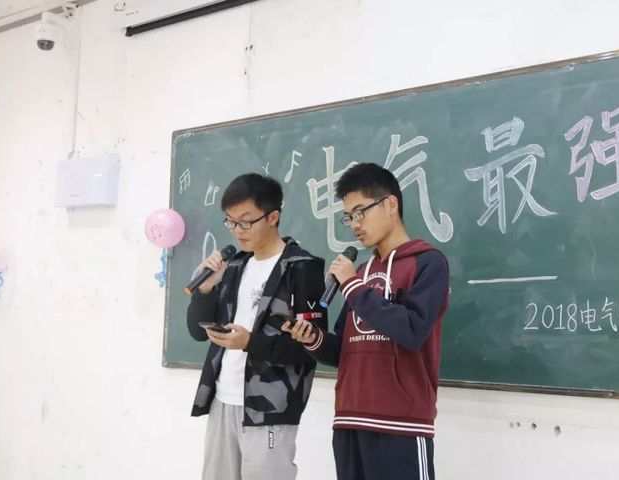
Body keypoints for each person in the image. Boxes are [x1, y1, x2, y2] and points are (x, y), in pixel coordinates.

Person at [284, 163, 450, 480]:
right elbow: (343, 350)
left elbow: (412, 331)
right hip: (350, 419)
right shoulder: (361, 274)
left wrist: (352, 286)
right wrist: (312, 338)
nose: (355, 224)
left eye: (360, 212)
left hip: (401, 424)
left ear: (391, 204)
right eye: (349, 217)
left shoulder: (428, 263)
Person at [187, 173, 327, 480]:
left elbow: (310, 348)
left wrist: (249, 342)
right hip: (223, 398)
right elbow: (197, 332)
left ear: (273, 217)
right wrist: (206, 290)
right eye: (231, 222)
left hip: (270, 407)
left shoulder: (302, 268)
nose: (238, 230)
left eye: (246, 222)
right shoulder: (235, 266)